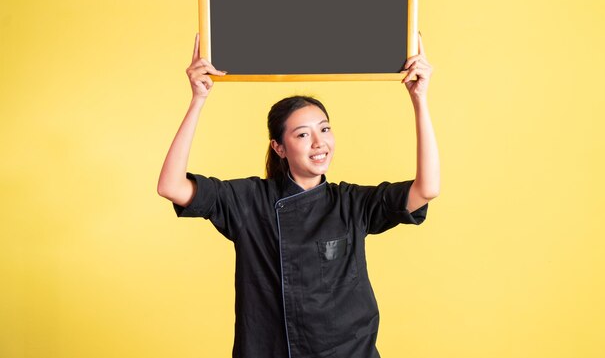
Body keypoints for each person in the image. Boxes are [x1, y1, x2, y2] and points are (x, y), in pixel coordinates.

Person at [157, 33, 440, 358]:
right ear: (279, 147)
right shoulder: (248, 201)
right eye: (303, 134)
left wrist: (420, 100)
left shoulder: (351, 203)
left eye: (325, 129)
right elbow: (171, 186)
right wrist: (197, 100)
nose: (319, 143)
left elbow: (426, 189)